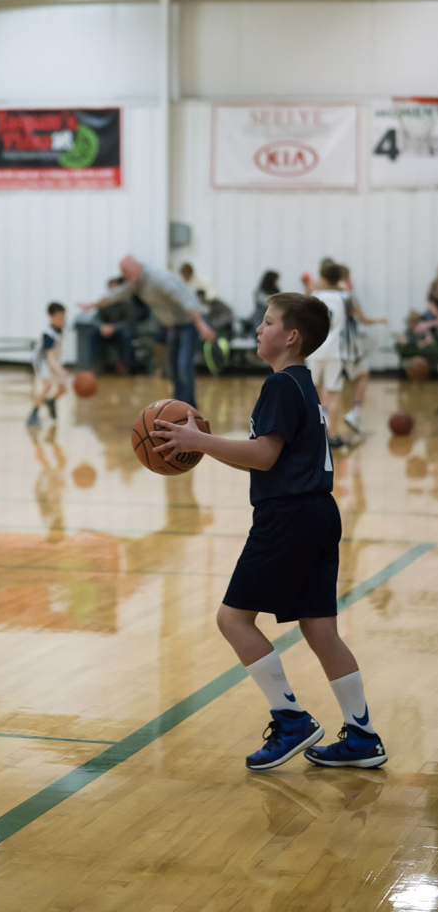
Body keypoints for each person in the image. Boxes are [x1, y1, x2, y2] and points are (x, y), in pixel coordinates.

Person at [150, 292, 386, 772]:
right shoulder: (303, 383)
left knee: (233, 620)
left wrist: (198, 441)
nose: (259, 329)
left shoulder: (280, 385)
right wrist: (211, 443)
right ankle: (361, 735)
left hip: (289, 518)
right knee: (320, 628)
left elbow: (264, 455)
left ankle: (291, 719)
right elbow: (272, 455)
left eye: (268, 321)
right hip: (320, 512)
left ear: (291, 337)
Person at [80, 255, 215, 408]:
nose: (123, 275)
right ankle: (180, 405)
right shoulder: (135, 283)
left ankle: (190, 406)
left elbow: (184, 298)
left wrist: (200, 324)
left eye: (125, 271)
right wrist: (92, 305)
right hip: (176, 324)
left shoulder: (157, 278)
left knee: (184, 365)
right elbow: (114, 295)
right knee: (174, 366)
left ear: (136, 267)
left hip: (191, 322)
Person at [338, 265, 387, 435]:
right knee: (363, 375)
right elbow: (363, 319)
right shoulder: (348, 296)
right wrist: (380, 320)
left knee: (329, 385)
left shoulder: (320, 294)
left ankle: (324, 421)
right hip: (349, 345)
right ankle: (354, 413)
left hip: (328, 346)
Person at [305, 263, 347, 449]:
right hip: (336, 351)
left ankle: (310, 434)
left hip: (314, 349)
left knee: (311, 393)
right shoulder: (346, 297)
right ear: (340, 279)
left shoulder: (315, 296)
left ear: (322, 278)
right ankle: (333, 434)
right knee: (333, 393)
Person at [27, 302, 68, 428]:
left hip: (53, 360)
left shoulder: (60, 330)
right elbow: (49, 356)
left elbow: (54, 355)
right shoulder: (48, 334)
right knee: (47, 387)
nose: (62, 320)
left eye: (63, 317)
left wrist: (58, 368)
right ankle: (33, 414)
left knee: (63, 388)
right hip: (42, 361)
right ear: (51, 317)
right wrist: (59, 370)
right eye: (59, 318)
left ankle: (51, 401)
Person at [93, 276, 135, 374]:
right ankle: (96, 363)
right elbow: (96, 318)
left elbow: (129, 322)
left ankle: (124, 365)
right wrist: (101, 326)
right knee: (93, 334)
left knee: (126, 335)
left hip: (119, 333)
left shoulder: (126, 303)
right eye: (110, 288)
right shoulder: (104, 302)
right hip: (105, 332)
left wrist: (114, 328)